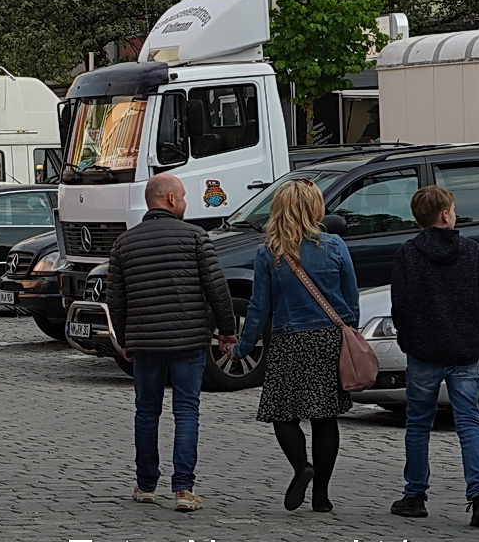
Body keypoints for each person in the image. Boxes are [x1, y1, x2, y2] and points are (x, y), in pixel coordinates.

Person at [105, 174, 238, 512]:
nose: (185, 202)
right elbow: (217, 288)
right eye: (182, 197)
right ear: (169, 200)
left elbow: (115, 299)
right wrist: (227, 330)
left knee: (146, 412)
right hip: (188, 339)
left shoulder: (125, 243)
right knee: (186, 410)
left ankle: (146, 484)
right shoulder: (195, 237)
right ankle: (183, 489)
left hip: (146, 343)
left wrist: (125, 340)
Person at [228, 177, 360, 514]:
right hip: (329, 338)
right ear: (315, 208)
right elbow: (351, 298)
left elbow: (259, 308)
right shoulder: (335, 245)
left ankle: (301, 466)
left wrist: (243, 348)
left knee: (282, 413)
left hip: (289, 340)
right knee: (325, 418)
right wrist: (349, 330)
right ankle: (322, 495)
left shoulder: (269, 252)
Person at [390, 185, 479, 527]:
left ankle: (415, 494)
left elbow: (400, 304)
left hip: (423, 350)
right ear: (447, 214)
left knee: (418, 423)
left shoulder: (408, 253)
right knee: (469, 422)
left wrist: (407, 339)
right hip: (465, 348)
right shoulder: (473, 251)